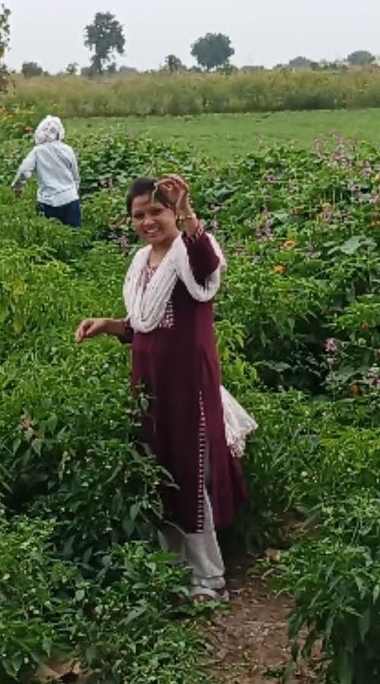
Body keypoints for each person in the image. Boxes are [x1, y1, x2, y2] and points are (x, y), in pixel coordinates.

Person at [75, 175, 252, 602]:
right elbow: (143, 327)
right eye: (140, 215)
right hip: (150, 386)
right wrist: (109, 326)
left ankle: (208, 579)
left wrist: (189, 210)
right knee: (159, 471)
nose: (149, 221)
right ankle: (171, 569)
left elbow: (208, 265)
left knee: (191, 472)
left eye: (158, 211)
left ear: (174, 213)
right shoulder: (141, 262)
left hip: (187, 383)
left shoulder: (189, 254)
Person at [12, 115, 82, 227]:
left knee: (50, 238)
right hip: (70, 200)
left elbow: (24, 171)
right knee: (74, 235)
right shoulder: (68, 150)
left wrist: (18, 188)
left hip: (48, 201)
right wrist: (75, 191)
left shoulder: (37, 151)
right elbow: (75, 176)